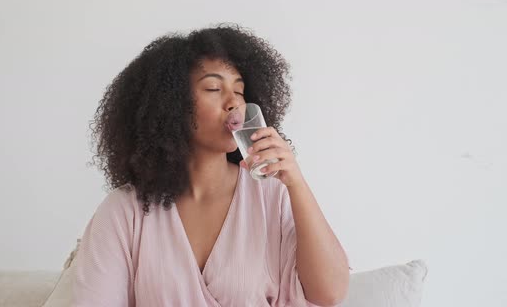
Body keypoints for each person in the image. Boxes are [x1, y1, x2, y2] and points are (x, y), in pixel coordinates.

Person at [74, 24, 350, 307]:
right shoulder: (126, 211)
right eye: (213, 88)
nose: (233, 102)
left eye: (240, 91)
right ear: (171, 105)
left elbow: (329, 293)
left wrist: (296, 183)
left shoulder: (273, 195)